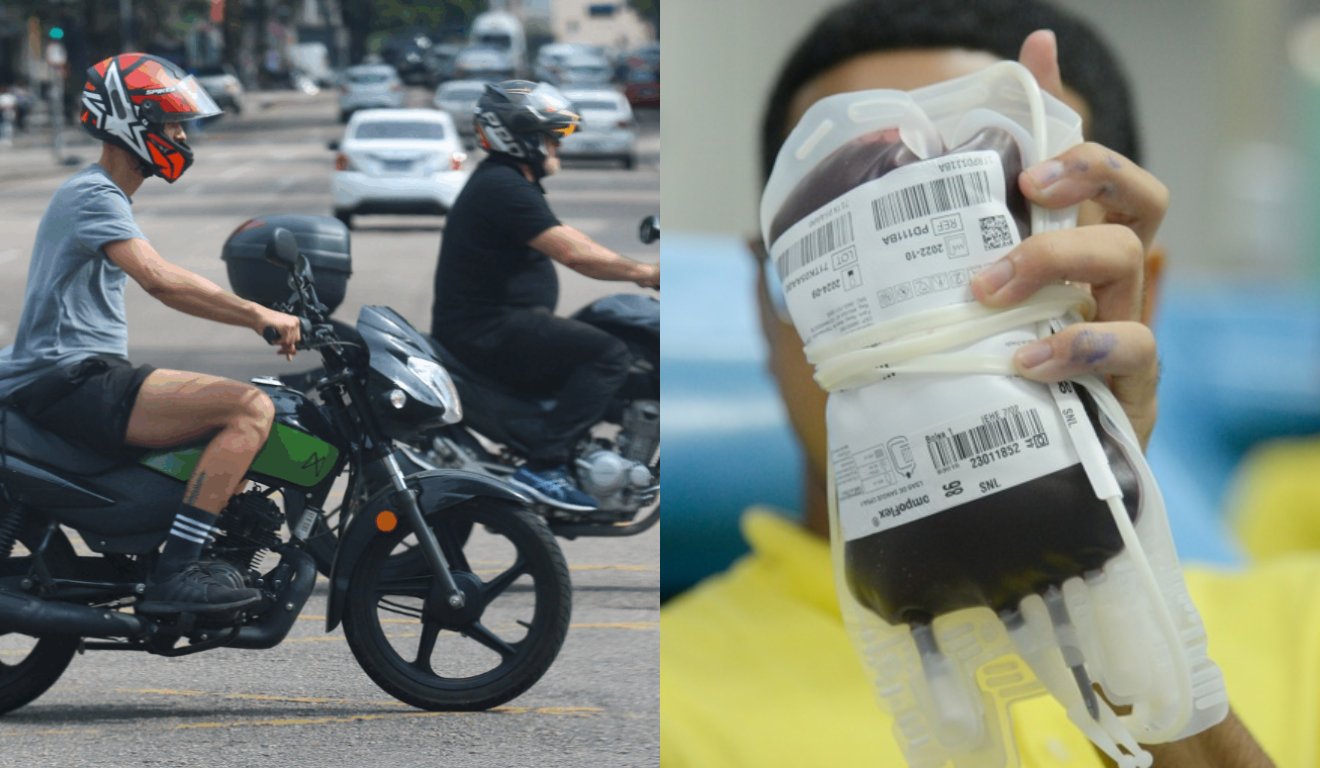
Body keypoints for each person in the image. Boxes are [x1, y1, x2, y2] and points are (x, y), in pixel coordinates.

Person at [661, 2, 1305, 765]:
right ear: (766, 300)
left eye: (994, 247)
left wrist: (1111, 593)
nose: (920, 322)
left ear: (1136, 297)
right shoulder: (662, 704)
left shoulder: (1304, 627)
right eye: (859, 263)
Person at [0, 53, 302, 614]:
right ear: (129, 123)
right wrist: (257, 314)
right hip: (70, 378)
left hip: (78, 373)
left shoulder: (101, 194)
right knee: (248, 408)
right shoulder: (93, 195)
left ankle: (204, 548)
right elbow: (161, 280)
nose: (181, 136)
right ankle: (177, 571)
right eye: (170, 123)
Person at [430, 80, 660, 511]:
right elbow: (574, 253)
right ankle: (545, 466)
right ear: (519, 136)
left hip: (498, 324)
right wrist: (648, 273)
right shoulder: (502, 187)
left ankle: (582, 454)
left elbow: (569, 238)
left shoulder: (509, 183)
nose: (558, 145)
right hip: (486, 329)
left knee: (609, 336)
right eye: (552, 136)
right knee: (608, 354)